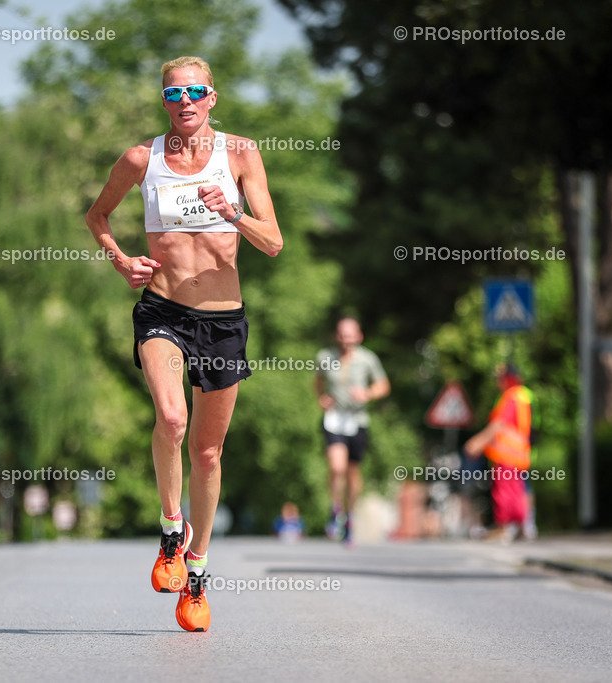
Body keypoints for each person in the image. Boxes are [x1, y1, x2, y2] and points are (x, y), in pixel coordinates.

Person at [85, 56, 282, 632]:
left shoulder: (241, 154)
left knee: (208, 452)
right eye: (175, 93)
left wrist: (235, 214)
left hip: (223, 321)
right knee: (171, 419)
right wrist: (122, 260)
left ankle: (196, 575)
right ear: (164, 100)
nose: (186, 101)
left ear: (212, 98)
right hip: (163, 311)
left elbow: (272, 242)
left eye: (196, 91)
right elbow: (98, 215)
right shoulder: (141, 159)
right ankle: (171, 531)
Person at [314, 317, 390, 545]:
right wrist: (321, 398)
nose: (346, 340)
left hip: (357, 420)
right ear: (337, 336)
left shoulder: (367, 359)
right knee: (337, 467)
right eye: (342, 335)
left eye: (350, 336)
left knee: (352, 472)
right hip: (334, 418)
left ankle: (350, 516)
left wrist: (367, 394)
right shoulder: (324, 357)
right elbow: (317, 382)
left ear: (359, 336)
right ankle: (336, 509)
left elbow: (383, 385)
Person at [463, 363, 532, 542]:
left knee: (504, 492)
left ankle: (504, 528)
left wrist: (477, 442)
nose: (497, 381)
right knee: (516, 490)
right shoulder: (523, 396)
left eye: (500, 378)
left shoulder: (511, 397)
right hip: (518, 454)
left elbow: (499, 424)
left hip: (507, 453)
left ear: (509, 378)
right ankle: (520, 528)